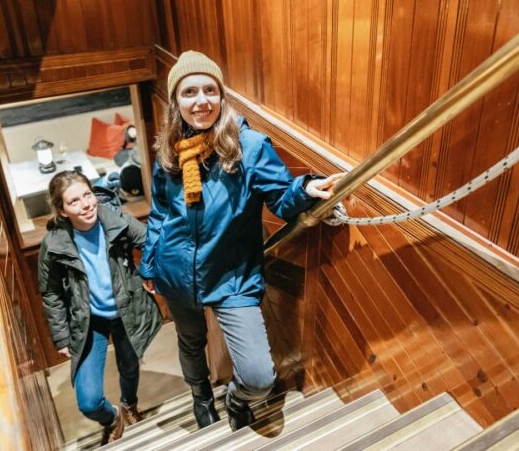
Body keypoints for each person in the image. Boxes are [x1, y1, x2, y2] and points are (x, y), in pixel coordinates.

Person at [140, 51, 342, 431]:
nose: (201, 100)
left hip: (232, 276)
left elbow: (281, 198)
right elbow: (161, 214)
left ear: (221, 96)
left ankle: (236, 399)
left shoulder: (249, 146)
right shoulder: (169, 150)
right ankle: (201, 397)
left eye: (209, 90)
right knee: (191, 341)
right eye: (189, 92)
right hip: (176, 273)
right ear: (175, 101)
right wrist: (149, 265)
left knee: (259, 375)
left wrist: (306, 189)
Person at [38, 171, 162, 444]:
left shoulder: (115, 219)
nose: (85, 204)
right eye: (74, 201)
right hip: (89, 321)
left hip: (127, 309)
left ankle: (129, 404)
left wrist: (149, 273)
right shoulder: (54, 243)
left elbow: (153, 244)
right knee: (89, 401)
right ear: (62, 210)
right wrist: (61, 335)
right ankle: (112, 417)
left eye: (87, 195)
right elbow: (51, 292)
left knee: (129, 366)